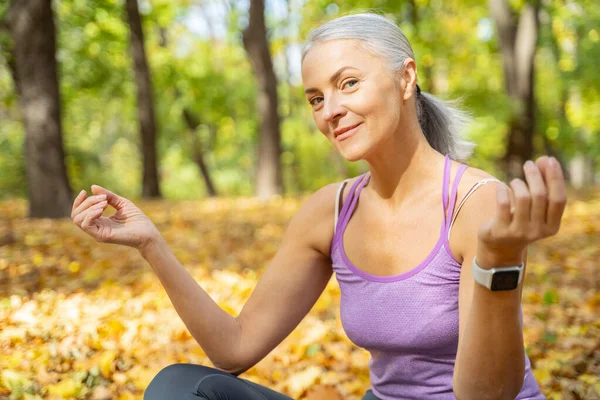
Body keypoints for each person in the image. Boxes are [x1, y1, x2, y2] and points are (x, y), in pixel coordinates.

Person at [71, 12, 566, 400]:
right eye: (315, 98)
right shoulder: (331, 211)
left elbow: (487, 395)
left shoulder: (475, 203)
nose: (330, 111)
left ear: (406, 77)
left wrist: (499, 262)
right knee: (177, 388)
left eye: (348, 83)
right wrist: (151, 243)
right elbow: (234, 348)